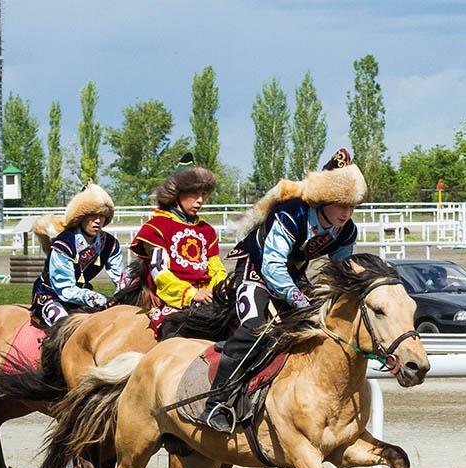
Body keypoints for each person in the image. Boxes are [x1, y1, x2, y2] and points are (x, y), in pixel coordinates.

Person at [194, 148, 368, 432]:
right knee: (254, 331)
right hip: (255, 273)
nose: (346, 213)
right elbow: (273, 267)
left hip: (292, 277)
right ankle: (216, 404)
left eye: (351, 206)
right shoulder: (290, 213)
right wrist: (300, 299)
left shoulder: (347, 231)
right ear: (323, 200)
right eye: (340, 204)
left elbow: (342, 273)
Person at [130, 152, 227, 332]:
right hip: (172, 302)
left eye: (203, 194)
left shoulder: (207, 231)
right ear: (176, 194)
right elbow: (160, 273)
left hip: (208, 299)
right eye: (194, 193)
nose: (200, 200)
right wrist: (192, 294)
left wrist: (215, 290)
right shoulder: (156, 227)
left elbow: (217, 268)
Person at [30, 182, 125, 328]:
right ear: (81, 217)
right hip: (50, 297)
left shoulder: (111, 244)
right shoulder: (63, 244)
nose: (98, 220)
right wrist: (98, 298)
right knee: (63, 327)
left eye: (102, 215)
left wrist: (123, 297)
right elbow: (65, 289)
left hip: (82, 297)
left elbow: (121, 279)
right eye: (92, 215)